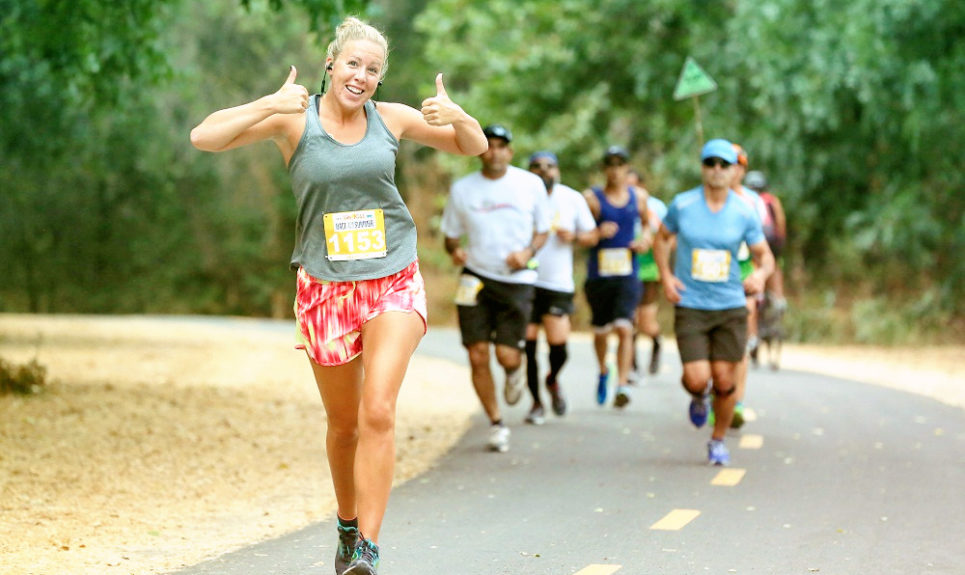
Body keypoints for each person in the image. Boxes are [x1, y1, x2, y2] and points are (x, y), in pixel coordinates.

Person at [189, 16, 487, 575]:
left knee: (378, 409)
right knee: (344, 423)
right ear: (331, 64)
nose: (362, 76)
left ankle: (368, 547)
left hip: (392, 277)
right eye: (353, 63)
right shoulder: (294, 123)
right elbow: (203, 137)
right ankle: (347, 524)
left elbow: (473, 147)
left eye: (373, 70)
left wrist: (460, 115)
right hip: (324, 287)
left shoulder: (391, 118)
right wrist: (270, 103)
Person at [653, 138, 774, 466]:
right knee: (697, 378)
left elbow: (765, 256)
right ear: (703, 168)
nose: (717, 170)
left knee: (724, 380)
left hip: (730, 304)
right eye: (711, 164)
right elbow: (661, 239)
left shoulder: (744, 211)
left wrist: (760, 277)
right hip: (691, 303)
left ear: (734, 170)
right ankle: (696, 396)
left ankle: (717, 440)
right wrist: (666, 276)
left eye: (724, 164)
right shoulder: (683, 205)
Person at [440, 124, 551, 451]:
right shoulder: (463, 189)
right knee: (476, 354)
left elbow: (543, 231)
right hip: (474, 278)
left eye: (502, 146)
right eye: (489, 145)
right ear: (479, 150)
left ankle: (514, 370)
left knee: (506, 355)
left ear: (510, 152)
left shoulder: (530, 184)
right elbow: (450, 236)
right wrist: (454, 251)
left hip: (516, 280)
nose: (495, 151)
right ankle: (496, 422)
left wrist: (527, 253)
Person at [522, 151, 599, 424]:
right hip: (524, 281)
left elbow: (592, 234)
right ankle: (535, 404)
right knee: (528, 347)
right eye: (536, 167)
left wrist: (576, 236)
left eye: (549, 166)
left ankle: (552, 379)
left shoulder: (572, 198)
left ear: (558, 171)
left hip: (557, 282)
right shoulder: (519, 196)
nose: (543, 171)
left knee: (559, 347)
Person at [582, 146, 651, 409]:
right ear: (604, 169)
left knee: (624, 327)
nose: (615, 170)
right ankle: (603, 371)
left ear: (627, 168)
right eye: (610, 164)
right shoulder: (592, 199)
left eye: (620, 164)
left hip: (627, 273)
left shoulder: (639, 197)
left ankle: (622, 384)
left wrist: (644, 240)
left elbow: (648, 225)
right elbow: (581, 235)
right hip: (599, 275)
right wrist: (598, 233)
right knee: (601, 331)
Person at [728, 143, 769, 428]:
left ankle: (737, 401)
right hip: (710, 276)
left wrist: (759, 273)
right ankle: (710, 392)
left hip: (743, 270)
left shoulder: (753, 202)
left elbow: (761, 245)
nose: (730, 170)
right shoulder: (699, 201)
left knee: (740, 341)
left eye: (736, 165)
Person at [627, 168, 668, 379]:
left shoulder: (656, 207)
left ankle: (656, 342)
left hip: (650, 270)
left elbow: (668, 237)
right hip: (627, 268)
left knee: (646, 322)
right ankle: (631, 366)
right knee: (629, 320)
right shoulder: (622, 204)